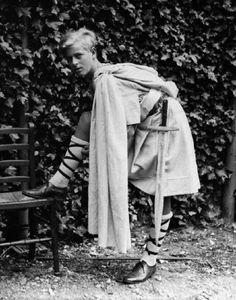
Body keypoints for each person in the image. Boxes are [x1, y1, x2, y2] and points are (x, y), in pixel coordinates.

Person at [23, 28, 200, 284]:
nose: (73, 63)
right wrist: (94, 149)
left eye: (78, 56)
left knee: (162, 192)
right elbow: (110, 121)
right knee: (86, 119)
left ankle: (150, 259)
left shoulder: (104, 79)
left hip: (164, 124)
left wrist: (96, 151)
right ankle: (58, 183)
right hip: (146, 123)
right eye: (68, 58)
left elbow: (123, 127)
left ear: (93, 53)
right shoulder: (102, 77)